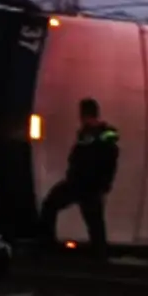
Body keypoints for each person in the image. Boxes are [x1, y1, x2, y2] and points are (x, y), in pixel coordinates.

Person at [40, 97, 119, 258]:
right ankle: (99, 254)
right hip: (81, 184)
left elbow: (107, 161)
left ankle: (99, 254)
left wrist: (103, 185)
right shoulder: (87, 134)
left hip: (88, 185)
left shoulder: (102, 136)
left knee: (92, 221)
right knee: (93, 221)